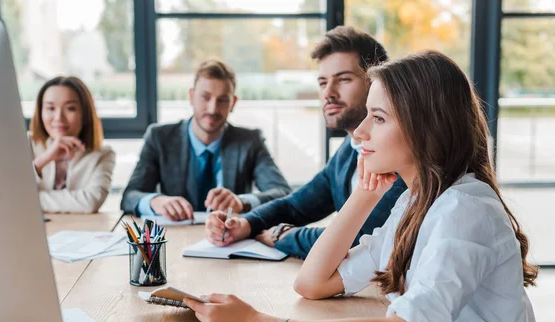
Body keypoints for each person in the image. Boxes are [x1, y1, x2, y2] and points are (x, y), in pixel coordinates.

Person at [185, 51, 555, 322]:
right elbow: (312, 283)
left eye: (377, 118)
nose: (360, 132)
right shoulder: (415, 201)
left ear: (427, 128)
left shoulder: (464, 209)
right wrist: (363, 196)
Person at [205, 26, 406, 259]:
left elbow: (358, 238)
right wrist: (244, 224)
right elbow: (296, 206)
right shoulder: (348, 151)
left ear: (376, 84)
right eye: (322, 82)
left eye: (343, 80)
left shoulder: (395, 154)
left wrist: (283, 236)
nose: (328, 93)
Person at [121, 59, 291, 221]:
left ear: (233, 103)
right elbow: (130, 196)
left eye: (223, 100)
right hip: (174, 236)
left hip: (229, 240)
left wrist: (242, 202)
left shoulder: (250, 141)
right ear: (191, 96)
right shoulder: (160, 138)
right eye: (205, 97)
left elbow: (282, 192)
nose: (213, 108)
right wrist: (155, 201)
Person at [29, 76, 115, 213]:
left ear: (85, 114)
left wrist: (33, 200)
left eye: (70, 108)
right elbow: (9, 194)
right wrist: (42, 160)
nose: (58, 118)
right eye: (50, 108)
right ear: (40, 113)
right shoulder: (27, 144)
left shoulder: (103, 154)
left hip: (80, 229)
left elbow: (90, 202)